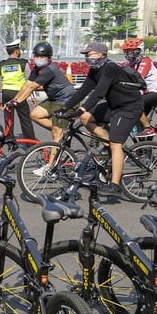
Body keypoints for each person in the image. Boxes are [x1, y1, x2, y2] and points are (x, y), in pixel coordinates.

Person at [59, 41, 146, 198]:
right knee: (86, 119)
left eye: (89, 54)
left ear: (100, 54)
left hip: (128, 107)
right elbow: (84, 90)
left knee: (116, 144)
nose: (87, 58)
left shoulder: (109, 68)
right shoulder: (95, 70)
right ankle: (108, 144)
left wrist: (80, 110)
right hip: (113, 106)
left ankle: (114, 185)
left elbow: (99, 92)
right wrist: (65, 108)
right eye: (86, 55)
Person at [4, 42, 75, 142]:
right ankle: (61, 130)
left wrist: (17, 102)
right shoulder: (37, 69)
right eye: (36, 56)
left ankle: (57, 140)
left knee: (56, 136)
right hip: (53, 99)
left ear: (49, 57)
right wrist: (14, 100)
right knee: (35, 115)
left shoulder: (49, 69)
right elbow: (27, 85)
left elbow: (32, 87)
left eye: (42, 56)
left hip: (65, 100)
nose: (38, 58)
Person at [121, 38, 157, 137]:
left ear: (138, 51)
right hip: (145, 93)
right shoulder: (130, 64)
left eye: (130, 51)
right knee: (137, 121)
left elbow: (137, 77)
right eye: (126, 51)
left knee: (133, 104)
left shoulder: (145, 61)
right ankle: (144, 149)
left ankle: (148, 128)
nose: (127, 54)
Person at [0, 40, 36, 140]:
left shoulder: (1, 64)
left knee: (8, 119)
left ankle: (10, 141)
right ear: (16, 51)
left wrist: (0, 99)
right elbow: (30, 80)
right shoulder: (23, 63)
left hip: (6, 94)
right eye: (19, 49)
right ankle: (30, 141)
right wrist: (33, 96)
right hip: (20, 94)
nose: (20, 51)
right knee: (25, 119)